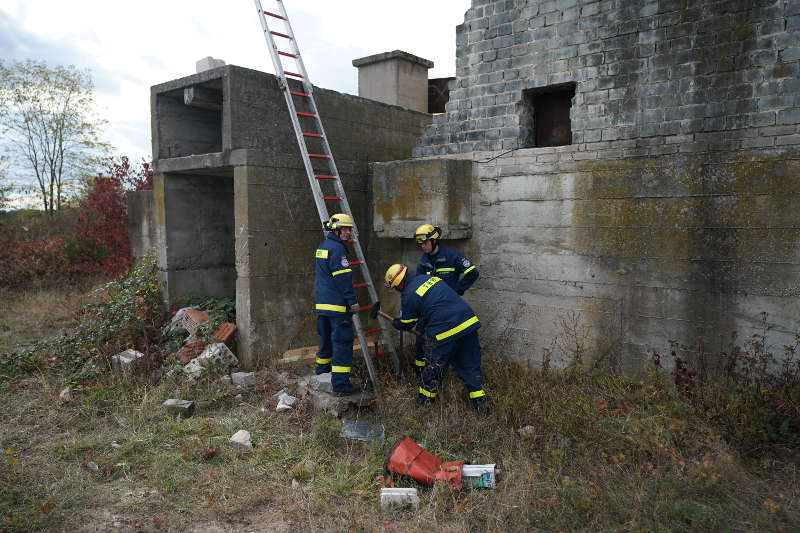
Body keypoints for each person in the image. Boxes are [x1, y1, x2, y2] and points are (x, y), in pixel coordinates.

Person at [384, 263, 488, 412]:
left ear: (399, 282)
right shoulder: (429, 279)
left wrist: (395, 322)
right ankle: (481, 406)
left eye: (395, 287)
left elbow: (406, 324)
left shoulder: (408, 294)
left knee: (433, 370)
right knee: (471, 367)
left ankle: (424, 405)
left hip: (445, 331)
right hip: (467, 323)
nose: (396, 290)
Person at [412, 223, 479, 373]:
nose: (422, 246)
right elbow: (418, 285)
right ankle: (420, 375)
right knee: (421, 341)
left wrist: (457, 291)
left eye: (424, 243)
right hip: (428, 311)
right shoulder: (424, 261)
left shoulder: (451, 256)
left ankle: (440, 372)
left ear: (434, 240)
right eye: (419, 244)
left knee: (445, 342)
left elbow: (473, 272)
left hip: (447, 312)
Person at [314, 213, 361, 395]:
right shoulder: (338, 249)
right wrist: (352, 300)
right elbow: (343, 278)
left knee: (325, 341)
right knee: (342, 343)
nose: (349, 233)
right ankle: (341, 385)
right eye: (347, 229)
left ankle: (321, 374)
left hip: (323, 305)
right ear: (337, 230)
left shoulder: (323, 246)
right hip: (338, 307)